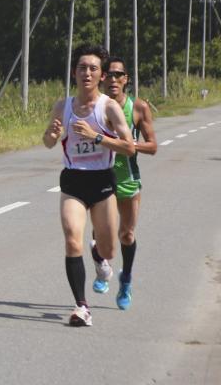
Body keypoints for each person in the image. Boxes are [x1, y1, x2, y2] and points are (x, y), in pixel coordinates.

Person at [43, 45, 135, 327]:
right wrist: (52, 134)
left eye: (93, 68)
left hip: (102, 180)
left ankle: (99, 257)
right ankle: (81, 306)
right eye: (82, 67)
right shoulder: (63, 105)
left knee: (108, 250)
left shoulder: (109, 107)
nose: (87, 72)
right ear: (74, 72)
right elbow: (48, 142)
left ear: (102, 75)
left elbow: (129, 147)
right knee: (72, 238)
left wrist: (97, 138)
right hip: (73, 179)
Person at [91, 56, 157, 310]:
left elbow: (152, 146)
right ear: (103, 78)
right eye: (109, 74)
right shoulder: (96, 105)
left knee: (126, 235)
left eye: (119, 75)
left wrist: (127, 145)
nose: (113, 79)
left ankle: (126, 279)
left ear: (126, 79)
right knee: (100, 237)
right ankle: (102, 269)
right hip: (100, 178)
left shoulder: (138, 107)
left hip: (128, 179)